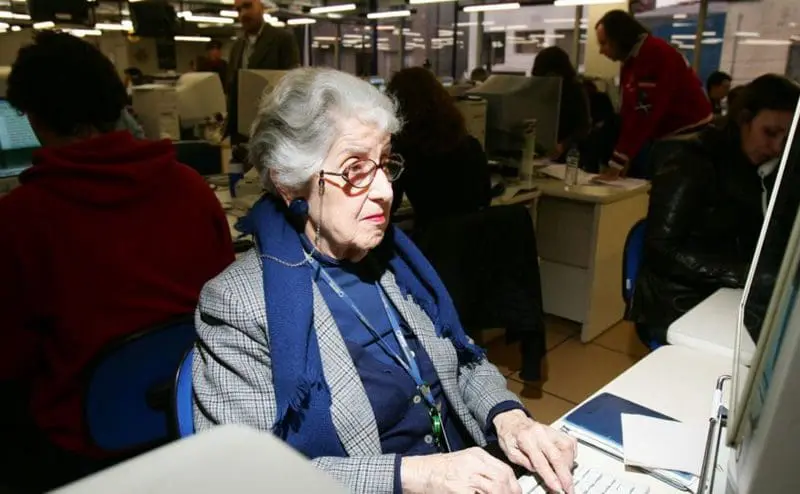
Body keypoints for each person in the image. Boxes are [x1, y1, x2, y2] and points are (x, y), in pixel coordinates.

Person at [193, 67, 577, 494]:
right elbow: (250, 478)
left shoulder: (397, 263)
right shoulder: (238, 304)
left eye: (385, 164)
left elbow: (461, 364)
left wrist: (509, 418)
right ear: (290, 183)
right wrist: (416, 476)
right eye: (355, 169)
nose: (386, 192)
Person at [0, 32, 235, 491]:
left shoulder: (20, 220)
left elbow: (10, 362)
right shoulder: (191, 188)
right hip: (193, 414)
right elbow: (228, 305)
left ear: (33, 118)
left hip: (81, 446)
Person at [628, 74, 800, 346]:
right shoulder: (691, 161)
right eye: (769, 133)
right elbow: (662, 249)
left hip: (729, 290)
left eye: (786, 138)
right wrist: (746, 274)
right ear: (744, 119)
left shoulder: (761, 165)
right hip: (680, 298)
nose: (777, 147)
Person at [594, 10, 712, 179]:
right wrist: (623, 157)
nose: (601, 51)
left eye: (604, 43)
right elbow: (629, 112)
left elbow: (644, 113)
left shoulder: (653, 55)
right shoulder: (633, 59)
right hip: (670, 135)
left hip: (686, 137)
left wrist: (618, 162)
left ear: (619, 38)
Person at [226, 0, 300, 142]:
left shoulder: (282, 39)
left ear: (262, 6)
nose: (243, 14)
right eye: (238, 10)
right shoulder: (237, 46)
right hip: (241, 132)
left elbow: (293, 85)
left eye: (248, 6)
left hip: (272, 130)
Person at [531, 46, 591, 161]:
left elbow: (584, 127)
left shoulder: (575, 91)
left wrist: (563, 145)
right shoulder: (540, 90)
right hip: (542, 153)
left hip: (568, 155)